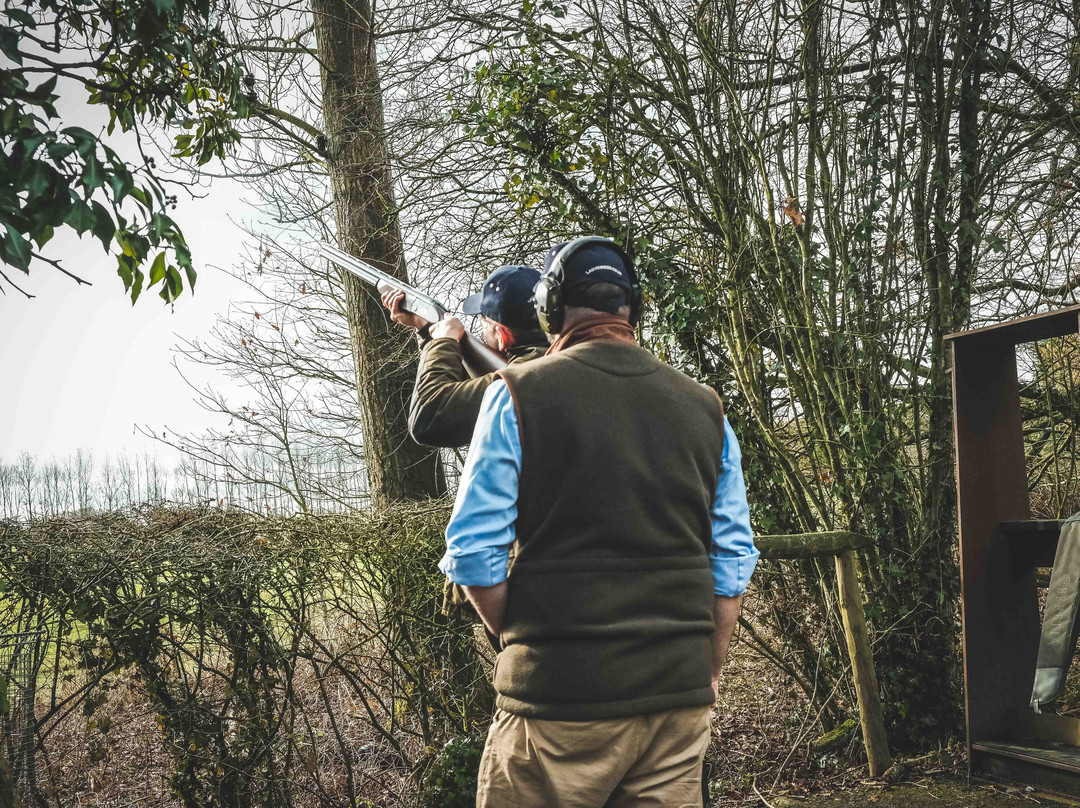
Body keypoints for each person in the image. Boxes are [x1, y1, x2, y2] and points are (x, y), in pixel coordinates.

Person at [439, 236, 759, 807]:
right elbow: (731, 563)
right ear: (632, 307)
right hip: (677, 709)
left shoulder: (515, 393)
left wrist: (528, 639)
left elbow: (472, 554)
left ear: (551, 309)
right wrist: (706, 671)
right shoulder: (707, 407)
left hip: (558, 712)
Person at [381, 264, 548, 449]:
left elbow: (427, 419)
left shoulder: (516, 385)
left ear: (503, 336)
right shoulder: (561, 361)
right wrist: (425, 328)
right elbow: (471, 391)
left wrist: (442, 341)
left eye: (482, 319)